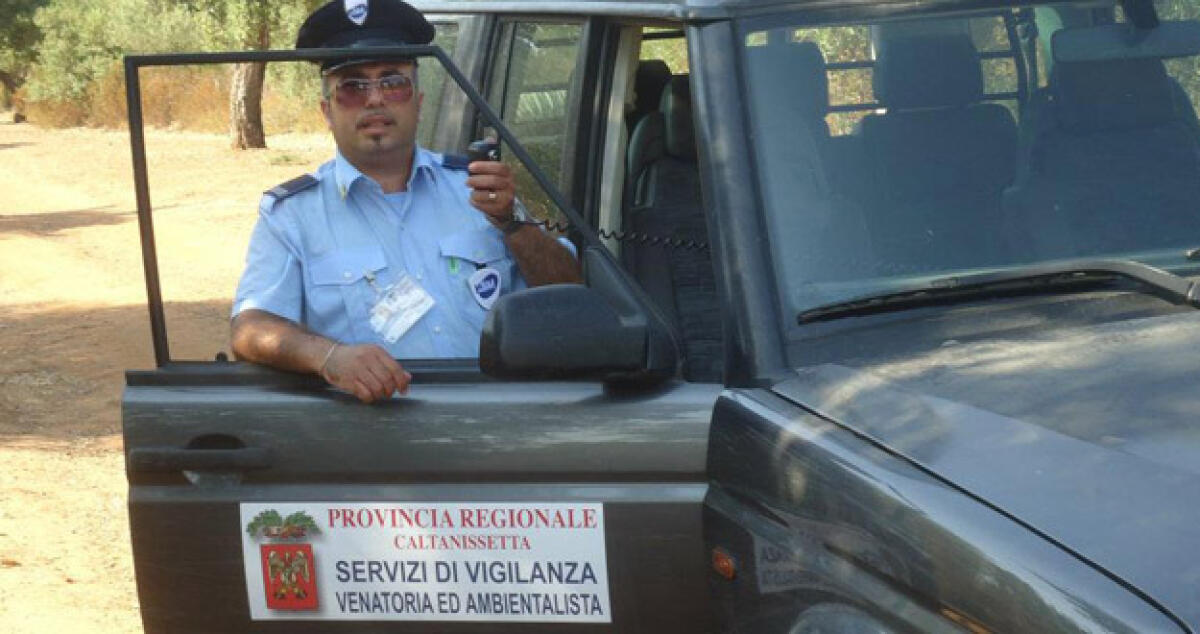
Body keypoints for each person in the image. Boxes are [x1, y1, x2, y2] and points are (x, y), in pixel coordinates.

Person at [230, 0, 581, 403]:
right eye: (352, 87)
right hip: (378, 443)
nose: (375, 100)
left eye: (393, 82)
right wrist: (330, 358)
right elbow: (250, 328)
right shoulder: (292, 215)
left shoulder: (480, 191)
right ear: (327, 111)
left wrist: (514, 223)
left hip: (498, 425)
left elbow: (570, 294)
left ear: (419, 100)